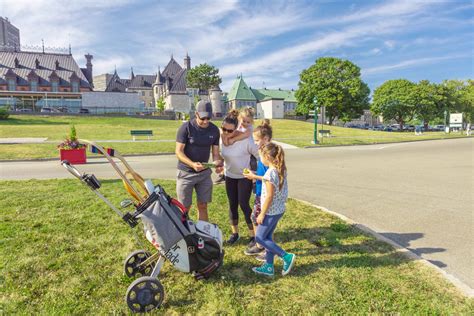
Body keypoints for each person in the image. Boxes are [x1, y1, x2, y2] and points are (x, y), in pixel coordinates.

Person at [252, 142, 295, 277]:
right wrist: (255, 176)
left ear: (267, 157)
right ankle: (269, 266)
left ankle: (286, 256)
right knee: (268, 237)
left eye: (261, 157)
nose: (260, 160)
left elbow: (269, 196)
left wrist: (262, 214)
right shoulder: (280, 169)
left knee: (259, 237)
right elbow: (268, 181)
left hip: (270, 211)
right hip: (278, 209)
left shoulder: (270, 173)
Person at [175, 100, 223, 222]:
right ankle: (183, 234)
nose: (206, 121)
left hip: (204, 174)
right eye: (203, 118)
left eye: (208, 118)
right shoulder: (186, 128)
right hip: (186, 173)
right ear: (196, 114)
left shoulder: (214, 130)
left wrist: (217, 163)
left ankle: (203, 233)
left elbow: (216, 154)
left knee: (203, 205)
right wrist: (192, 164)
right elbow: (178, 152)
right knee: (184, 208)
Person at [220, 109, 259, 244]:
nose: (226, 132)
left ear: (238, 128)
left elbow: (261, 156)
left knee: (243, 204)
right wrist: (219, 164)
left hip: (244, 177)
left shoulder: (247, 140)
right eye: (223, 129)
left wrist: (257, 173)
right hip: (229, 175)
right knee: (232, 205)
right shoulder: (222, 138)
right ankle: (235, 233)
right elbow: (221, 156)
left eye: (229, 130)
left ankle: (253, 235)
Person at [243, 120, 273, 259]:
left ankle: (267, 249)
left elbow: (270, 177)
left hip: (266, 194)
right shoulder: (262, 151)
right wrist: (253, 173)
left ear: (265, 139)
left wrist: (254, 176)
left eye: (256, 140)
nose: (254, 143)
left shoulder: (269, 154)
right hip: (260, 191)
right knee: (255, 217)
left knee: (264, 221)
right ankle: (260, 244)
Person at [214, 107, 256, 184]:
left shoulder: (249, 130)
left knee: (252, 162)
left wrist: (233, 139)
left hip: (249, 154)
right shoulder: (236, 125)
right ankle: (222, 175)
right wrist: (226, 139)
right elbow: (226, 141)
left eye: (248, 122)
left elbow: (244, 136)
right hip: (230, 173)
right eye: (244, 121)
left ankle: (254, 179)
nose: (246, 123)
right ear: (240, 119)